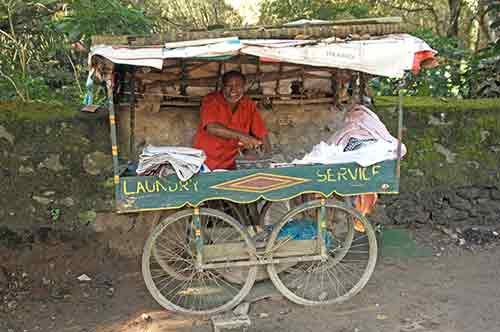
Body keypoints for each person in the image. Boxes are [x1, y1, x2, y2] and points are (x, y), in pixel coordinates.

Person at [193, 70, 271, 170]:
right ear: (222, 86)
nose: (233, 91)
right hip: (206, 161)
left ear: (244, 87)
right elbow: (212, 127)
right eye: (229, 86)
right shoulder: (211, 100)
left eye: (238, 86)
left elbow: (262, 133)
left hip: (232, 163)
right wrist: (243, 137)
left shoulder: (248, 104)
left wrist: (268, 158)